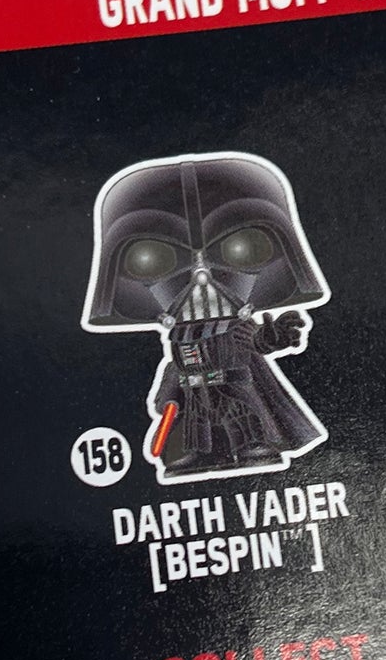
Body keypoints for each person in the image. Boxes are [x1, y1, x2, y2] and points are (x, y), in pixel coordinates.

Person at [83, 152, 328, 480]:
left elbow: (254, 342)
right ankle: (198, 452)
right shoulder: (178, 334)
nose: (201, 277)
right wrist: (169, 396)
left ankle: (252, 444)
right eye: (154, 257)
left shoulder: (235, 324)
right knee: (194, 431)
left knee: (244, 421)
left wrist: (271, 338)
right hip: (194, 392)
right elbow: (175, 367)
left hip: (235, 386)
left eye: (242, 247)